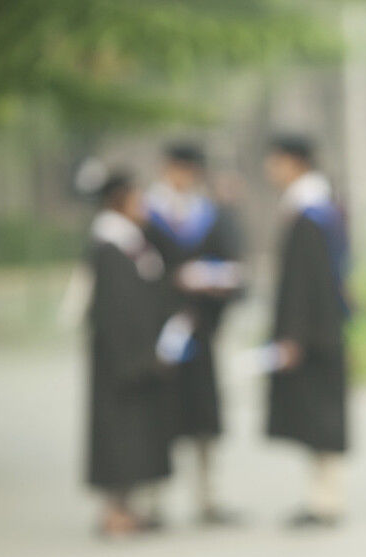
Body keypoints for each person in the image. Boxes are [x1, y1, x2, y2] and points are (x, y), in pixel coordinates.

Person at [145, 141, 245, 526]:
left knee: (203, 418)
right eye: (177, 169)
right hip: (161, 331)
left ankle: (208, 497)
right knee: (160, 415)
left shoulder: (210, 214)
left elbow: (231, 262)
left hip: (200, 330)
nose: (183, 177)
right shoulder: (148, 214)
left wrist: (218, 284)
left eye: (189, 170)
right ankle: (153, 500)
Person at [263, 135, 352, 528]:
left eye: (275, 161)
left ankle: (325, 501)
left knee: (319, 417)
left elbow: (304, 284)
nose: (271, 169)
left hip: (313, 336)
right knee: (319, 416)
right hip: (324, 330)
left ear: (293, 162)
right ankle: (322, 497)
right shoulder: (322, 208)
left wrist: (292, 336)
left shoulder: (308, 215)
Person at [84, 172, 177, 536]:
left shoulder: (130, 241)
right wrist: (138, 358)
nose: (145, 207)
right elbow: (115, 312)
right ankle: (113, 511)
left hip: (134, 358)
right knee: (116, 436)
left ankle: (127, 507)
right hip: (120, 363)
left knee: (132, 435)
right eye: (138, 199)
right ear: (120, 201)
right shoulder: (109, 247)